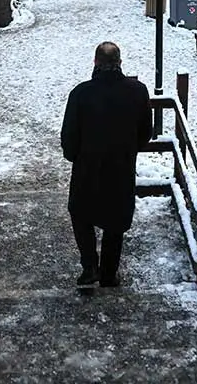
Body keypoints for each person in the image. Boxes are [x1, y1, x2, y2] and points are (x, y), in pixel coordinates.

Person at [61, 41, 152, 288]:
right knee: (116, 219)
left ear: (95, 63)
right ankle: (109, 273)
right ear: (120, 63)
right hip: (121, 168)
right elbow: (146, 132)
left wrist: (74, 155)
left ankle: (90, 266)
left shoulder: (80, 93)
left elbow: (69, 137)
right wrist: (129, 149)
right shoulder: (138, 91)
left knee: (80, 213)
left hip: (87, 169)